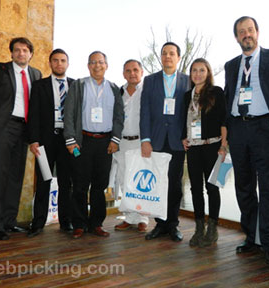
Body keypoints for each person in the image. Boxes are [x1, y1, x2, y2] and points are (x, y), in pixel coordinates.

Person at [224, 16, 269, 265]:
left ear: (257, 32)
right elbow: (228, 97)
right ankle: (251, 237)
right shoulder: (231, 65)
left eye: (250, 30)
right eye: (241, 32)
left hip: (265, 130)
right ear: (236, 37)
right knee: (243, 188)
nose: (246, 35)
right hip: (238, 131)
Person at [0, 37, 42, 240]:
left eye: (25, 50)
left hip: (24, 131)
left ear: (31, 54)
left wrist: (35, 136)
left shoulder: (36, 74)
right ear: (11, 53)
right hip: (2, 129)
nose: (21, 53)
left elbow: (38, 107)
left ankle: (9, 221)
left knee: (15, 178)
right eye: (17, 50)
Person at [63, 51, 124, 239]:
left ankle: (96, 224)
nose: (97, 65)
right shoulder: (78, 85)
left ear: (107, 65)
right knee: (80, 185)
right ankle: (79, 224)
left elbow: (119, 117)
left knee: (100, 185)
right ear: (88, 66)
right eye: (93, 62)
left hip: (105, 143)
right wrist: (71, 140)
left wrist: (115, 140)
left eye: (101, 62)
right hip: (83, 142)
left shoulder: (114, 88)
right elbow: (70, 113)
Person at [140, 42, 190, 242]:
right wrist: (145, 139)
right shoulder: (150, 80)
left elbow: (191, 112)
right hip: (156, 141)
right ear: (161, 58)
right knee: (158, 185)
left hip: (178, 141)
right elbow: (145, 112)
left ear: (178, 58)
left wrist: (189, 135)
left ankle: (172, 224)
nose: (167, 56)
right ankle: (159, 224)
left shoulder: (188, 81)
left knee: (175, 185)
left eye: (172, 53)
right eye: (164, 54)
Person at [26, 49, 75, 237]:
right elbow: (34, 115)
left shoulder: (75, 85)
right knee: (44, 180)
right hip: (46, 142)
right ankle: (38, 223)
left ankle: (66, 221)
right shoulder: (39, 86)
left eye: (63, 60)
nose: (59, 64)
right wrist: (34, 140)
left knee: (66, 182)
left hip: (67, 141)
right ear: (50, 63)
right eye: (55, 60)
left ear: (67, 64)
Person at [182, 58, 227, 247]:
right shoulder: (186, 96)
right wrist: (183, 137)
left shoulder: (216, 92)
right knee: (195, 189)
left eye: (202, 70)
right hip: (193, 148)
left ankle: (212, 227)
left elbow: (224, 120)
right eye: (194, 70)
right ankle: (199, 227)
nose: (197, 74)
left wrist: (224, 145)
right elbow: (183, 121)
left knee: (212, 187)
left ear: (208, 73)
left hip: (212, 146)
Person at [113, 59, 149, 233]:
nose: (132, 73)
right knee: (123, 179)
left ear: (141, 72)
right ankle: (129, 216)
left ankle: (142, 218)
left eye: (135, 70)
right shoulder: (118, 92)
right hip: (122, 142)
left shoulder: (148, 91)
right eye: (128, 71)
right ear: (123, 74)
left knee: (140, 180)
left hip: (141, 141)